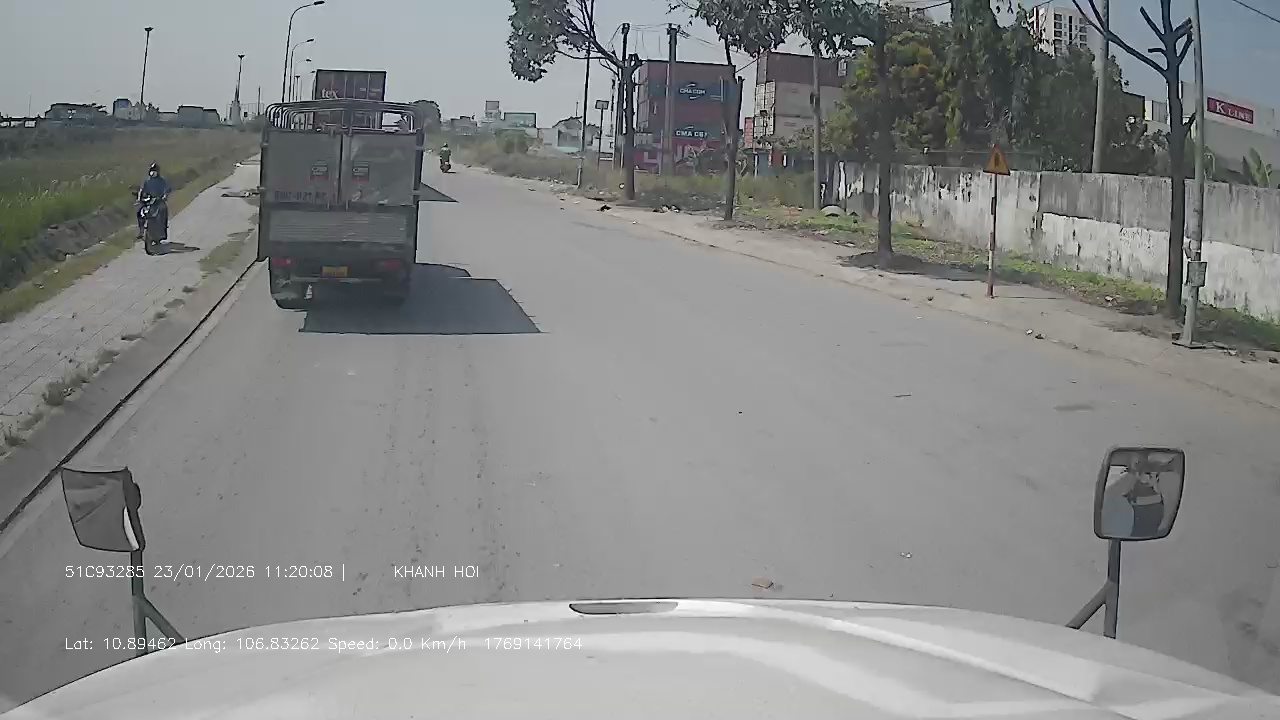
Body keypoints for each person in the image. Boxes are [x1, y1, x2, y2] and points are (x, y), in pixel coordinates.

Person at [136, 162, 171, 239]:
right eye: (152, 170)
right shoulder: (147, 180)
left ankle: (162, 231)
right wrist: (139, 199)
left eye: (155, 170)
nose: (153, 172)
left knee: (163, 210)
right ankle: (141, 230)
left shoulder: (162, 180)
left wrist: (165, 196)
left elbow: (167, 190)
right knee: (140, 212)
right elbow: (141, 190)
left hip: (159, 200)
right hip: (148, 200)